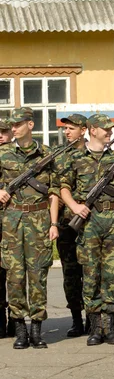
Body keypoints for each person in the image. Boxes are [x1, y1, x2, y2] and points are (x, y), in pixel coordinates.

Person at [60, 114, 114, 346]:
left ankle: (109, 327)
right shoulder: (75, 158)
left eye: (111, 129)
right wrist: (75, 206)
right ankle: (94, 328)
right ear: (93, 130)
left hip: (113, 221)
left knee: (111, 275)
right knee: (91, 275)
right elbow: (63, 188)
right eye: (105, 129)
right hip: (89, 223)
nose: (109, 132)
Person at [0, 107, 60, 349]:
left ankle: (37, 329)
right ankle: (20, 330)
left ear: (30, 125)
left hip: (39, 220)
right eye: (11, 125)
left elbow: (55, 191)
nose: (13, 128)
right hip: (11, 221)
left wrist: (54, 223)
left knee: (38, 276)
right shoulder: (3, 153)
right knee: (14, 278)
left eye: (17, 124)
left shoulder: (47, 154)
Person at [55, 114, 88, 337]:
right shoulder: (57, 155)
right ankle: (77, 319)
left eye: (72, 128)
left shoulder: (95, 154)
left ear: (84, 130)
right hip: (66, 223)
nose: (67, 132)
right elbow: (52, 189)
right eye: (65, 128)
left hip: (91, 222)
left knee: (94, 271)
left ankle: (96, 318)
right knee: (71, 272)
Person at [0, 119, 13, 338]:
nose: (0, 136)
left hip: (16, 223)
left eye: (3, 132)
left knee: (16, 274)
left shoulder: (19, 158)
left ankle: (17, 320)